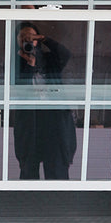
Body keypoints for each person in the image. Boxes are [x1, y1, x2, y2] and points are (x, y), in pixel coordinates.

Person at [13, 22, 77, 179]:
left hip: (54, 120)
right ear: (17, 41)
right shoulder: (14, 63)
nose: (27, 40)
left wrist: (45, 39)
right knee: (28, 170)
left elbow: (65, 54)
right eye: (23, 37)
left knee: (57, 169)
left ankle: (56, 196)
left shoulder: (50, 60)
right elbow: (18, 89)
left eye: (31, 36)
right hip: (30, 121)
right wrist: (30, 66)